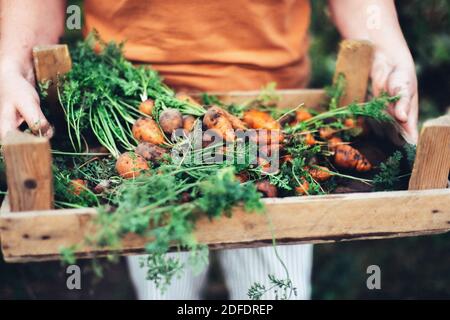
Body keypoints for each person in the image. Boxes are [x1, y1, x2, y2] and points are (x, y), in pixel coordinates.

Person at [0, 0, 418, 299]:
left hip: (268, 105)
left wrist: (384, 45)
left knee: (275, 292)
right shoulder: (144, 142)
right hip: (136, 126)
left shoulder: (267, 145)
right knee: (167, 290)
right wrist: (13, 62)